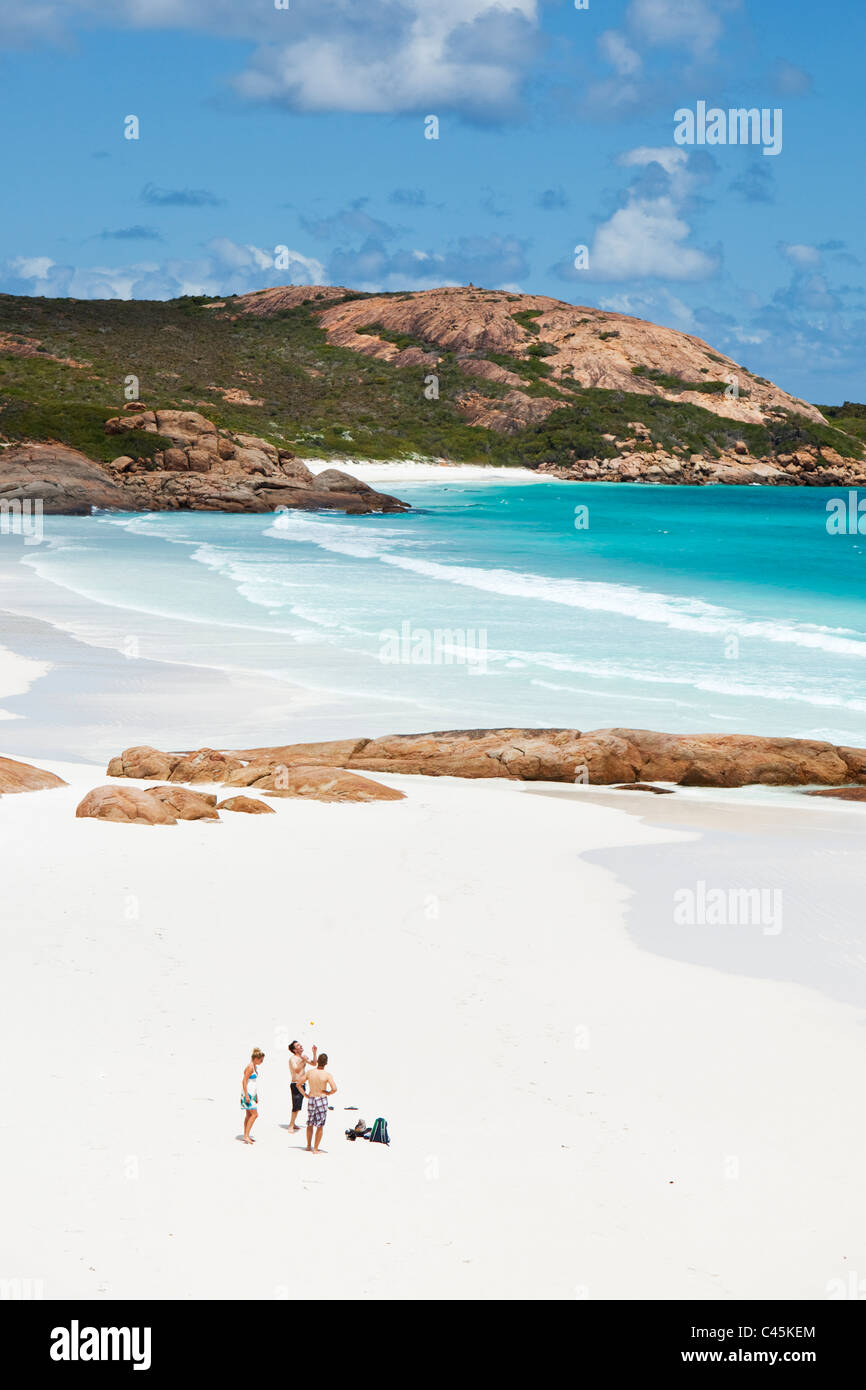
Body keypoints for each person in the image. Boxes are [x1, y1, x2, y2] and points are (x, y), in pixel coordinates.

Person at [304, 1053, 337, 1154]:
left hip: (312, 1098)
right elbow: (334, 1089)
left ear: (317, 1061)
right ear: (326, 1063)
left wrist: (305, 1095)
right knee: (320, 1125)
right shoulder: (327, 1075)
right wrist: (328, 1093)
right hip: (321, 1099)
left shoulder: (310, 1072)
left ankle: (309, 1146)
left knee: (310, 1123)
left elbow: (298, 1084)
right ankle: (315, 1149)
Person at [288, 1039, 317, 1134]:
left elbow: (314, 1063)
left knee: (299, 1106)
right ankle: (291, 1125)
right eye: (298, 1046)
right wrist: (303, 1061)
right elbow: (296, 1070)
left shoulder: (302, 1058)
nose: (300, 1046)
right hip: (295, 1084)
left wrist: (314, 1053)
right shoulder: (293, 1059)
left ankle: (293, 1123)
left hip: (302, 1084)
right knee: (295, 1105)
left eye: (300, 1045)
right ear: (295, 1050)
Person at [240, 1048, 265, 1144]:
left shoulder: (254, 1067)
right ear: (256, 1058)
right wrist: (247, 1095)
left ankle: (246, 1135)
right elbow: (244, 1081)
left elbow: (252, 1082)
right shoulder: (250, 1067)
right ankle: (246, 1135)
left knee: (249, 1115)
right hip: (248, 1094)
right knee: (255, 1114)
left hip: (251, 1093)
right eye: (261, 1060)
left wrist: (256, 1095)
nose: (261, 1062)